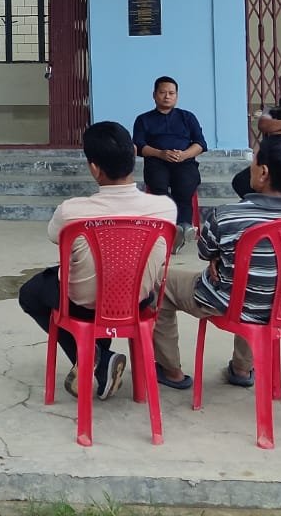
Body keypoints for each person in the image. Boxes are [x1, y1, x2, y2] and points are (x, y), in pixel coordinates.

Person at [17, 121, 176, 401]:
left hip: (83, 303)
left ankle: (95, 357)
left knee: (31, 293)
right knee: (106, 276)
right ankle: (100, 359)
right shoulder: (165, 208)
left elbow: (54, 237)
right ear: (134, 154)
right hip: (138, 300)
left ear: (94, 168)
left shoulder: (71, 211)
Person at [154, 135, 281, 390]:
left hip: (233, 303)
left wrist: (217, 257)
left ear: (263, 173)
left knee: (159, 280)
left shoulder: (228, 216)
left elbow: (204, 251)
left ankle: (171, 371)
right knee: (258, 282)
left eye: (254, 160)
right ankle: (242, 369)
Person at [132, 76, 206, 251]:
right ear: (154, 95)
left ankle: (184, 226)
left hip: (184, 161)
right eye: (162, 92)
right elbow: (139, 146)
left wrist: (184, 155)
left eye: (171, 93)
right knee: (159, 187)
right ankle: (168, 228)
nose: (167, 96)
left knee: (185, 187)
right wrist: (160, 153)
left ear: (176, 96)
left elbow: (201, 144)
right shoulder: (143, 119)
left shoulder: (187, 117)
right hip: (157, 161)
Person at [231, 72, 281, 197]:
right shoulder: (273, 109)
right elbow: (264, 125)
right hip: (273, 158)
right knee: (241, 182)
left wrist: (277, 131)